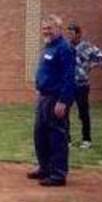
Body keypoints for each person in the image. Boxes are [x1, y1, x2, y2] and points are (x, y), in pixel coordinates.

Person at [27, 14, 75, 187]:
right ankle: (45, 168)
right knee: (40, 134)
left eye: (50, 28)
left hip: (56, 98)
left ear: (58, 29)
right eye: (44, 28)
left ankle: (58, 174)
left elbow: (69, 77)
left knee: (57, 135)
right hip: (44, 97)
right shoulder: (48, 47)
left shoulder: (64, 48)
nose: (46, 31)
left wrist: (63, 100)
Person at [67, 22, 102, 149]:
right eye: (68, 33)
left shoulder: (87, 47)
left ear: (79, 34)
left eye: (72, 33)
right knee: (64, 113)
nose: (69, 36)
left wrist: (91, 66)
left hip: (82, 85)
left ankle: (86, 140)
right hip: (67, 85)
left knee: (83, 113)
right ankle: (67, 140)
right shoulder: (66, 47)